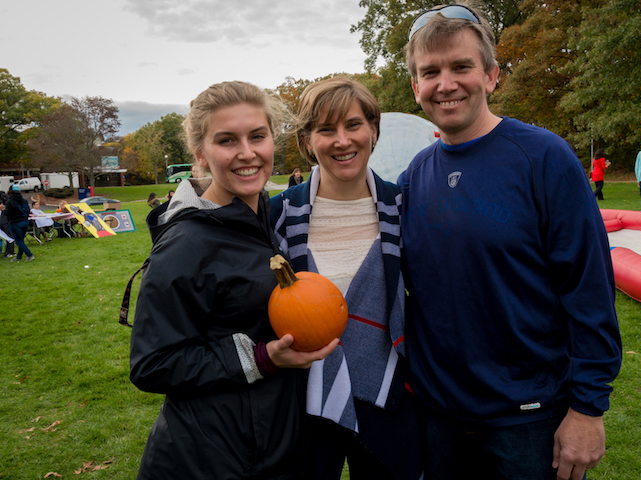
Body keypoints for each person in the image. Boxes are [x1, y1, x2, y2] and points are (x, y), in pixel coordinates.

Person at [399, 4, 622, 480]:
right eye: (430, 72)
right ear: (416, 87)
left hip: (529, 418)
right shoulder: (415, 174)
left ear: (492, 76)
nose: (446, 83)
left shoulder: (544, 158)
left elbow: (590, 289)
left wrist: (588, 408)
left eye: (461, 67)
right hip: (439, 416)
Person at [129, 80, 338, 480]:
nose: (247, 153)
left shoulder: (259, 217)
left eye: (257, 136)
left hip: (266, 445)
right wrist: (260, 358)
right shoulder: (186, 244)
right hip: (212, 458)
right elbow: (153, 364)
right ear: (201, 155)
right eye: (227, 140)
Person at [270, 77, 422, 480]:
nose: (342, 141)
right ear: (307, 141)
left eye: (353, 125)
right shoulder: (277, 214)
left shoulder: (403, 206)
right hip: (306, 396)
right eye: (325, 129)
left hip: (389, 392)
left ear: (373, 130)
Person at [4, 184, 34, 262]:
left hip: (15, 223)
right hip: (25, 221)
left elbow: (8, 213)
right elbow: (28, 211)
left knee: (18, 241)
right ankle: (19, 256)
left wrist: (3, 209)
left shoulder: (10, 201)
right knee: (21, 240)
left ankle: (29, 254)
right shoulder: (25, 200)